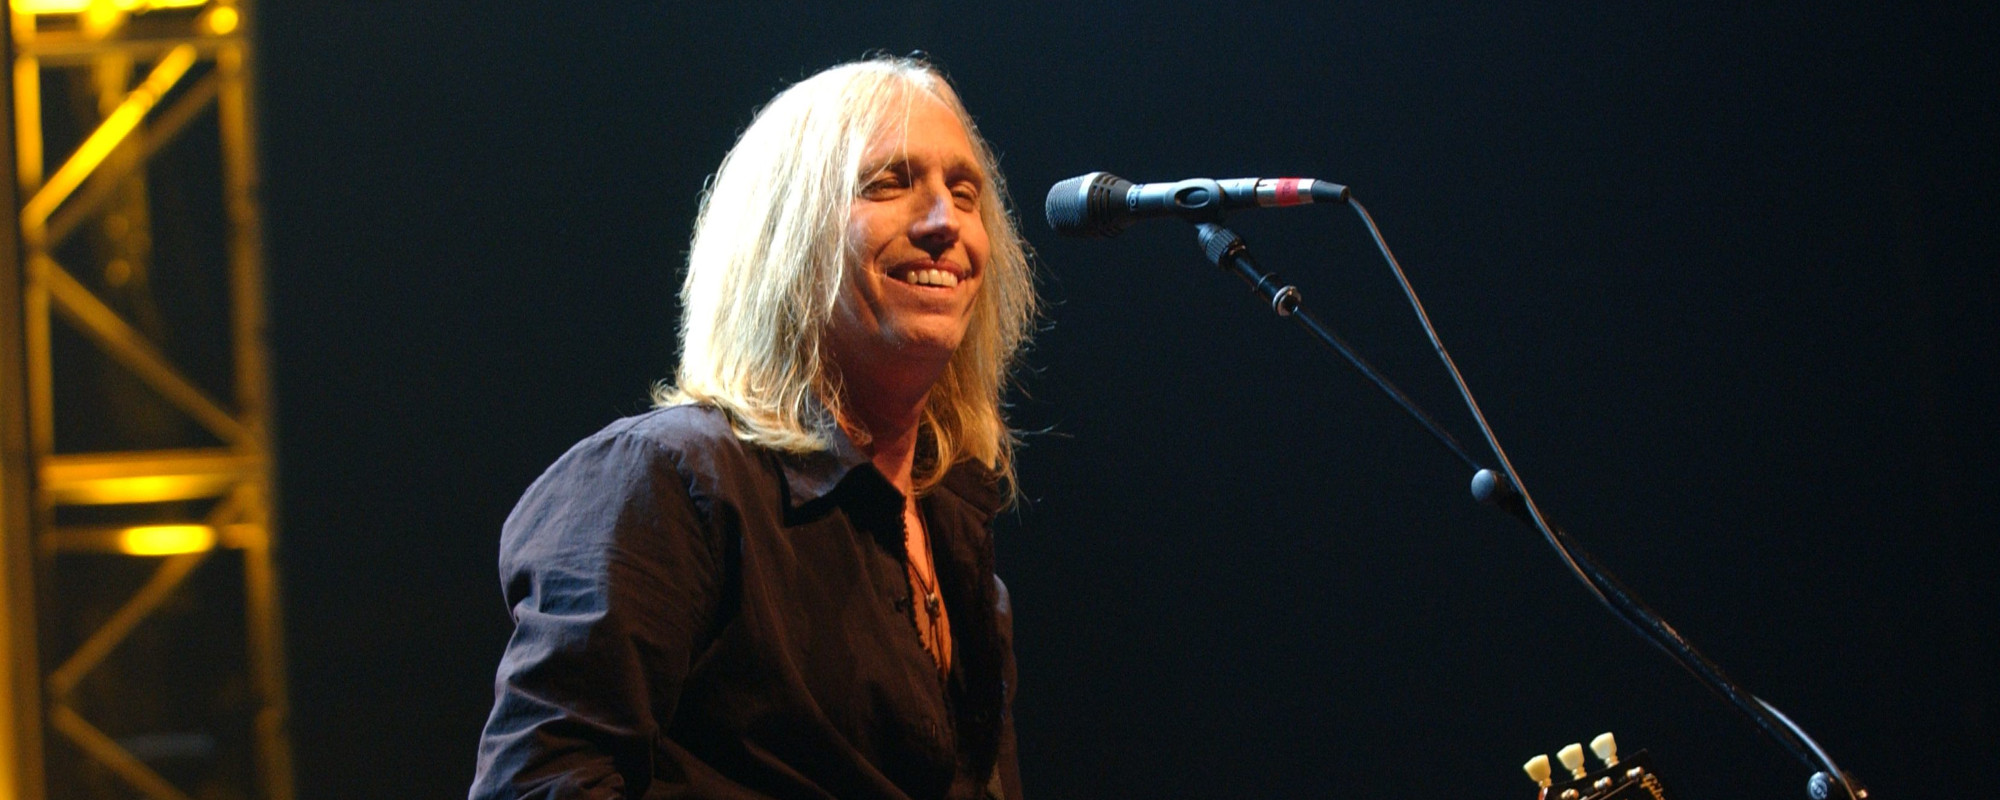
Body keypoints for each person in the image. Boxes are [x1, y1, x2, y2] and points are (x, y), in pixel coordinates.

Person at [469, 56, 1038, 800]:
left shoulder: (960, 550)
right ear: (783, 239)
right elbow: (540, 783)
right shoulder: (667, 482)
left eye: (965, 194)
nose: (945, 222)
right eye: (888, 183)